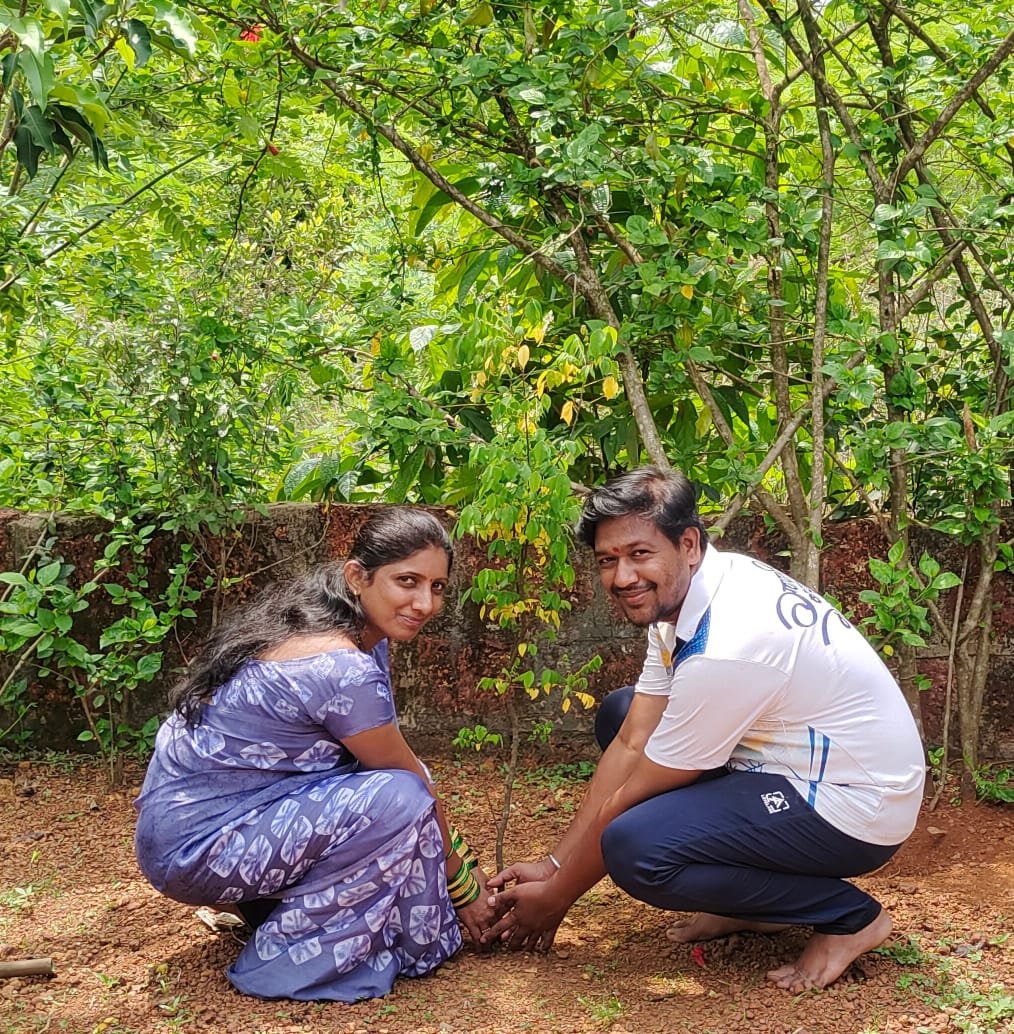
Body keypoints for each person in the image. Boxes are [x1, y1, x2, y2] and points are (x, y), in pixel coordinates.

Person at [484, 466, 925, 992]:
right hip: (788, 762)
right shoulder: (687, 599)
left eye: (639, 554)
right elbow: (633, 738)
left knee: (635, 847)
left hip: (854, 804)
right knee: (621, 713)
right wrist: (554, 863)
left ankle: (851, 918)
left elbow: (630, 798)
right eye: (608, 561)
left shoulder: (730, 641)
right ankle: (751, 905)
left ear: (688, 544)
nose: (623, 577)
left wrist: (556, 897)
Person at [135, 508, 496, 1002]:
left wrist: (457, 860)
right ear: (356, 577)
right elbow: (402, 779)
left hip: (191, 832)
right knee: (401, 796)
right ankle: (289, 958)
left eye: (436, 587)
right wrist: (463, 883)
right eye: (407, 581)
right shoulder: (343, 662)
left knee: (396, 788)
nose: (424, 602)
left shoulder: (331, 629)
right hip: (202, 849)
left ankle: (277, 909)